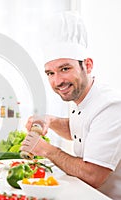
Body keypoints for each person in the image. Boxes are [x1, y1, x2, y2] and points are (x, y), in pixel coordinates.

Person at [21, 11, 121, 199]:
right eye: (50, 73)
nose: (57, 81)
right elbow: (81, 130)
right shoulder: (82, 97)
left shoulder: (111, 106)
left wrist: (45, 149)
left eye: (65, 69)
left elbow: (93, 175)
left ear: (88, 65)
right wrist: (49, 120)